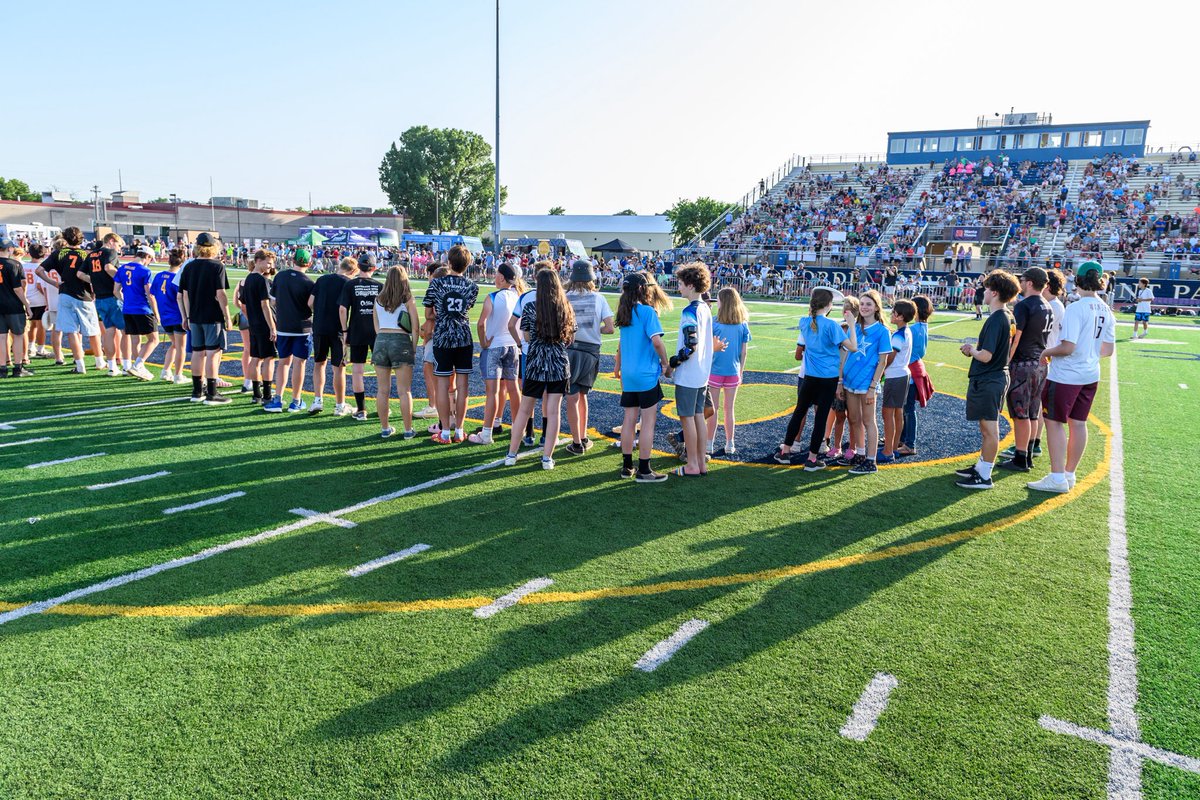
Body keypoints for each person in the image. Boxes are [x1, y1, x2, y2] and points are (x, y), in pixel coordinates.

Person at [1027, 262, 1115, 493]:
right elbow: (1107, 350)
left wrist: (1045, 352)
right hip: (1090, 374)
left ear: (1078, 280)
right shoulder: (1106, 309)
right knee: (1078, 423)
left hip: (1067, 375)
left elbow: (1067, 347)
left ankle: (1057, 477)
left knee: (1054, 423)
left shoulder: (1077, 308)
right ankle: (1068, 474)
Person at [774, 288, 856, 468]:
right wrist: (851, 325)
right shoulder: (832, 325)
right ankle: (811, 458)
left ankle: (785, 451)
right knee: (820, 418)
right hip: (829, 378)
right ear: (828, 305)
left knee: (799, 413)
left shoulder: (804, 321)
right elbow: (853, 347)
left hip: (810, 376)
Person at [953, 270, 1020, 489]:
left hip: (990, 378)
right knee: (986, 428)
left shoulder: (997, 318)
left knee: (989, 429)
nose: (983, 291)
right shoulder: (1008, 315)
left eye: (986, 287)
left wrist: (971, 349)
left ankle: (985, 475)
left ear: (995, 292)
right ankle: (982, 467)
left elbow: (986, 355)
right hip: (997, 375)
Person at [504, 270, 576, 469]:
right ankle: (547, 458)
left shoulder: (529, 306)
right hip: (558, 363)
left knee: (525, 410)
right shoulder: (565, 307)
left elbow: (526, 337)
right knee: (553, 412)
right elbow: (571, 338)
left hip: (535, 362)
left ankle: (511, 454)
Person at [613, 271, 672, 482]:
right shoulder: (647, 312)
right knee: (648, 422)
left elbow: (621, 345)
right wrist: (665, 363)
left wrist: (618, 366)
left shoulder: (624, 312)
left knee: (629, 420)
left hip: (629, 375)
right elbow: (657, 341)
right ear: (642, 289)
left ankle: (627, 466)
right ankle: (644, 469)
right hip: (645, 375)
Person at [997, 267, 1052, 473]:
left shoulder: (1024, 306)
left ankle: (1021, 457)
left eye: (1022, 280)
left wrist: (1006, 361)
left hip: (1023, 364)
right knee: (1031, 412)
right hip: (1039, 363)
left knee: (1020, 414)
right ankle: (1026, 454)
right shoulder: (1047, 305)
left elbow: (1016, 337)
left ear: (1029, 283)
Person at [424, 245, 478, 443]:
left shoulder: (436, 284)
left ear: (449, 262)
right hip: (463, 336)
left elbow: (429, 313)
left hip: (443, 337)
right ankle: (460, 430)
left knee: (442, 384)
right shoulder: (472, 286)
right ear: (468, 264)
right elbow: (466, 308)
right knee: (463, 386)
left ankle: (445, 431)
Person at [563, 259, 614, 455]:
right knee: (583, 395)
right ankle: (583, 437)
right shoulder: (598, 298)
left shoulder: (565, 297)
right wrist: (594, 329)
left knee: (571, 396)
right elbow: (609, 328)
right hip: (591, 350)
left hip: (569, 349)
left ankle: (577, 442)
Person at [470, 263, 522, 445]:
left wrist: (484, 342)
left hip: (494, 347)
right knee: (514, 388)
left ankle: (487, 432)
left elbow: (480, 324)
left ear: (501, 277)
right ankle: (518, 427)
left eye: (496, 275)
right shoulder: (517, 296)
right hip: (512, 345)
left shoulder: (493, 297)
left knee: (492, 391)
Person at [177, 232, 232, 405]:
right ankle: (212, 393)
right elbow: (221, 294)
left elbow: (183, 295)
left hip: (194, 316)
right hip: (212, 316)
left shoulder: (189, 266)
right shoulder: (217, 266)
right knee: (213, 354)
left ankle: (197, 391)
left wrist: (185, 316)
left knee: (197, 353)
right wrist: (228, 316)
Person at [840, 290, 891, 475]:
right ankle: (860, 454)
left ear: (876, 307)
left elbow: (883, 361)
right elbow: (845, 353)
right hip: (849, 381)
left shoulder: (882, 331)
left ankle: (871, 460)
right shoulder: (854, 327)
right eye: (862, 304)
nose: (864, 307)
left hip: (867, 384)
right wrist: (840, 381)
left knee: (869, 421)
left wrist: (872, 387)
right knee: (854, 419)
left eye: (868, 304)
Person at [35, 227, 99, 374]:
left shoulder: (58, 253)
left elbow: (39, 271)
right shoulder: (86, 254)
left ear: (65, 238)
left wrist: (54, 283)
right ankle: (99, 361)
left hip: (65, 294)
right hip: (85, 295)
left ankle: (80, 365)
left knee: (71, 332)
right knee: (93, 331)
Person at [264, 248, 315, 413]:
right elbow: (311, 306)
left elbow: (272, 301)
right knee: (299, 364)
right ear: (309, 263)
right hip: (302, 328)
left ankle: (278, 399)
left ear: (292, 260)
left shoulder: (280, 276)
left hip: (284, 327)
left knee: (283, 363)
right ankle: (296, 400)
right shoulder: (309, 283)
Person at [373, 266, 420, 438]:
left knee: (382, 390)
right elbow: (415, 327)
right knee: (404, 391)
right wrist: (413, 347)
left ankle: (385, 429)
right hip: (400, 341)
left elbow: (376, 326)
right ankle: (408, 430)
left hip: (381, 341)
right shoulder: (407, 298)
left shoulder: (378, 299)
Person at [339, 253, 383, 421]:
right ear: (374, 268)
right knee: (381, 371)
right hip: (376, 332)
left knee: (357, 371)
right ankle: (382, 407)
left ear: (359, 267)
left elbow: (343, 310)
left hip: (356, 331)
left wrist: (344, 330)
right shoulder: (379, 286)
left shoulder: (351, 285)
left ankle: (361, 409)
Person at [310, 256, 356, 415]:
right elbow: (345, 309)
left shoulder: (322, 279)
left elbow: (310, 302)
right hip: (337, 329)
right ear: (352, 271)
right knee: (339, 368)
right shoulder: (348, 283)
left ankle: (317, 400)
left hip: (319, 326)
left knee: (319, 363)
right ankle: (339, 404)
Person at [707, 287, 751, 455]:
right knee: (729, 409)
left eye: (717, 299)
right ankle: (729, 443)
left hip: (715, 370)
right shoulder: (742, 324)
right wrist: (741, 372)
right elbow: (744, 352)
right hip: (733, 371)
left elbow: (708, 347)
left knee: (713, 409)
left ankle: (709, 443)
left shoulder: (714, 322)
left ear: (722, 302)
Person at [112, 245, 159, 380]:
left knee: (135, 339)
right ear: (147, 257)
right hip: (142, 309)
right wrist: (156, 313)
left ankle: (136, 367)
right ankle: (138, 365)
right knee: (153, 339)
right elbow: (150, 295)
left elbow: (115, 291)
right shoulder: (145, 271)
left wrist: (124, 300)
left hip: (128, 309)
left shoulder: (122, 268)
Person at [878, 299, 915, 464]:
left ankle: (888, 450)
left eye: (894, 312)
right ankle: (892, 447)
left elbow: (890, 358)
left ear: (900, 316)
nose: (891, 314)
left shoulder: (899, 335)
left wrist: (879, 373)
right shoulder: (905, 331)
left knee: (888, 413)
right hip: (903, 374)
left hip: (895, 376)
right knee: (897, 412)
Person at [897, 295, 933, 457]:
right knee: (906, 408)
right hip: (914, 368)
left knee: (908, 409)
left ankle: (909, 443)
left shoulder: (913, 329)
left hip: (910, 371)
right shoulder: (922, 326)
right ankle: (902, 438)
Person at [241, 249, 278, 405]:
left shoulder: (248, 279)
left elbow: (243, 305)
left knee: (255, 358)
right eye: (268, 262)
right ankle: (267, 395)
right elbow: (265, 305)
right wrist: (272, 327)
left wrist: (252, 319)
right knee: (269, 358)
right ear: (258, 260)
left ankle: (256, 394)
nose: (270, 266)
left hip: (254, 324)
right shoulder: (261, 280)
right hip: (263, 324)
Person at [88, 232, 125, 376]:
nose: (119, 249)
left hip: (100, 298)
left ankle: (111, 367)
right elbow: (108, 268)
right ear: (111, 241)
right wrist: (122, 280)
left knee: (109, 332)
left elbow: (80, 274)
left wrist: (96, 281)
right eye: (119, 245)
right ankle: (126, 365)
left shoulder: (92, 254)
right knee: (126, 332)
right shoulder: (110, 252)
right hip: (112, 296)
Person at [150, 248, 188, 383]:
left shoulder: (159, 275)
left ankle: (166, 370)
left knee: (175, 345)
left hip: (165, 316)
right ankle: (178, 375)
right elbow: (182, 298)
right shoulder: (178, 278)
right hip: (178, 316)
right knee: (181, 347)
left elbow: (152, 293)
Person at [0, 237, 33, 377]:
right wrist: (27, 305)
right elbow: (18, 289)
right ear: (9, 249)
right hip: (13, 306)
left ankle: (2, 368)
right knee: (18, 335)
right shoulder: (14, 264)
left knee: (1, 337)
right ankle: (18, 367)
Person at [20, 244, 48, 360]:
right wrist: (47, 299)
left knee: (31, 325)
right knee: (41, 325)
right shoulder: (42, 267)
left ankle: (31, 346)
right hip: (39, 299)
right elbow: (40, 286)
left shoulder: (23, 266)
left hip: (27, 299)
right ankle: (40, 348)